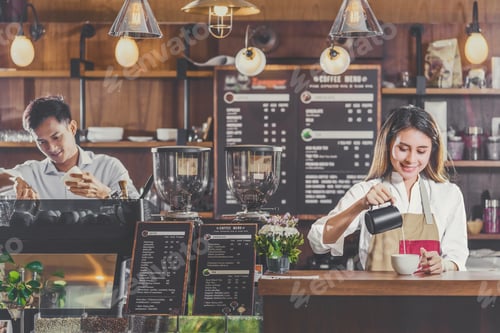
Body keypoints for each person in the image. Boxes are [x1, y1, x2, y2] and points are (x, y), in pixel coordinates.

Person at [307, 105, 468, 274]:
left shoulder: (449, 194)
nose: (411, 159)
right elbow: (318, 242)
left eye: (421, 151)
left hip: (430, 297)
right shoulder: (365, 191)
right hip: (376, 297)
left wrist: (442, 264)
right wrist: (360, 205)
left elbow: (457, 259)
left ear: (432, 152)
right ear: (388, 144)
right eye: (403, 149)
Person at [0, 95, 139, 199]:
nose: (52, 148)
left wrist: (105, 193)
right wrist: (15, 181)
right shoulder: (32, 173)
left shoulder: (108, 167)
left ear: (72, 128)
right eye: (42, 142)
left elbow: (140, 212)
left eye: (56, 137)